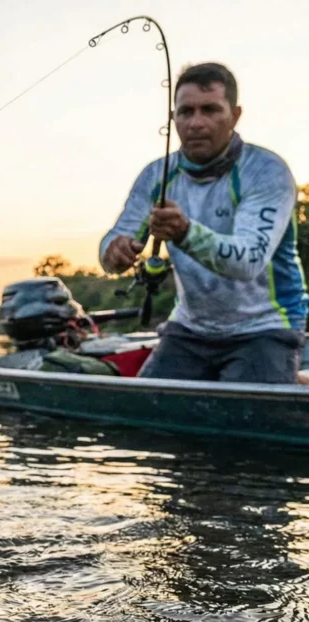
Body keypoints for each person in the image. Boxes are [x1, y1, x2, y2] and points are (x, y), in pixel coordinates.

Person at [100, 62, 307, 383]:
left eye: (210, 110)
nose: (196, 123)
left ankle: (292, 379)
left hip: (266, 327)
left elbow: (248, 262)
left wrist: (185, 232)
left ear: (235, 115)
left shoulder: (266, 171)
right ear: (173, 119)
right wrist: (114, 252)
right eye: (186, 112)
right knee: (144, 406)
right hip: (190, 328)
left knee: (246, 410)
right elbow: (113, 243)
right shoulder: (156, 175)